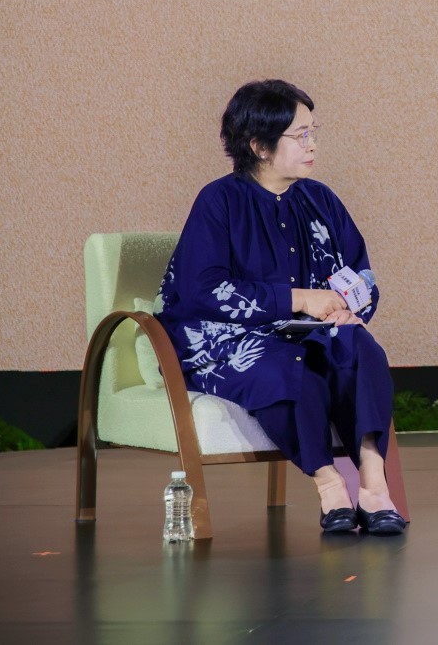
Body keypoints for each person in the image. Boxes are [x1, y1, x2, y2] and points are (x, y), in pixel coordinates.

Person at [157, 80, 405, 536]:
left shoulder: (321, 199)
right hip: (228, 338)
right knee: (287, 366)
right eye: (300, 135)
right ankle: (330, 484)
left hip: (311, 331)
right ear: (259, 146)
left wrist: (349, 310)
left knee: (362, 349)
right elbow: (201, 289)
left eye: (314, 132)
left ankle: (373, 485)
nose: (312, 145)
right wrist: (299, 299)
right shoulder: (219, 201)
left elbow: (361, 274)